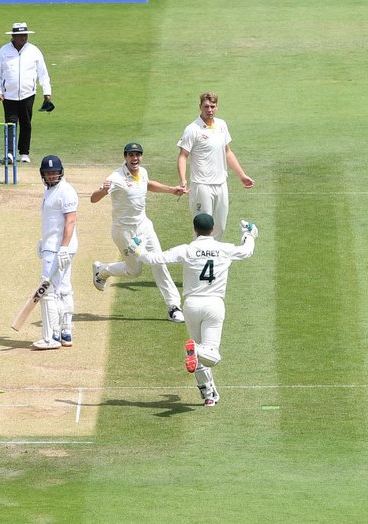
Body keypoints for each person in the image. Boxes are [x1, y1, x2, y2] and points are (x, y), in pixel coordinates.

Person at [140, 213, 258, 407]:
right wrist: (249, 234)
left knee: (200, 355)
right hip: (214, 305)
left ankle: (208, 395)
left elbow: (155, 258)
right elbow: (247, 251)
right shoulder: (224, 249)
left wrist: (138, 249)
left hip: (191, 306)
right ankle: (195, 351)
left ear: (195, 229)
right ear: (212, 229)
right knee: (210, 354)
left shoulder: (187, 249)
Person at [91, 142, 186, 323]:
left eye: (138, 155)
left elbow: (148, 184)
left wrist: (171, 190)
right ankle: (102, 271)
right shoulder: (116, 178)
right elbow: (93, 199)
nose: (135, 158)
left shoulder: (142, 172)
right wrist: (102, 190)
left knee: (159, 261)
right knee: (134, 271)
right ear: (125, 157)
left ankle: (173, 306)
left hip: (144, 227)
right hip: (124, 232)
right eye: (131, 155)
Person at [176, 92, 254, 241]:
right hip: (202, 185)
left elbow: (227, 152)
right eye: (206, 106)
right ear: (200, 107)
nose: (209, 110)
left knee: (220, 228)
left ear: (216, 107)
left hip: (221, 184)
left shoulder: (222, 125)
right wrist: (183, 180)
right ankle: (198, 262)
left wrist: (242, 175)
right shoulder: (192, 129)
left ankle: (213, 262)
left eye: (212, 106)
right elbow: (183, 156)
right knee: (203, 230)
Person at [0, 22, 53, 165]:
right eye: (20, 35)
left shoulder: (34, 51)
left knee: (26, 123)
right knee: (11, 124)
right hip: (9, 95)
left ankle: (24, 153)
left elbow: (43, 73)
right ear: (13, 36)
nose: (23, 38)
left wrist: (47, 92)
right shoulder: (3, 51)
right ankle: (10, 153)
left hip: (28, 94)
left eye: (25, 35)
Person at [33, 155, 78, 350]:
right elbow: (53, 222)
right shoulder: (49, 190)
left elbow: (70, 221)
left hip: (59, 249)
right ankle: (65, 332)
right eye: (48, 173)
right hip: (53, 246)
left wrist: (63, 248)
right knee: (63, 288)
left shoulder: (66, 192)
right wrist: (44, 242)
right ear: (43, 175)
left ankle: (50, 337)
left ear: (61, 172)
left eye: (54, 173)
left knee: (48, 291)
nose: (52, 176)